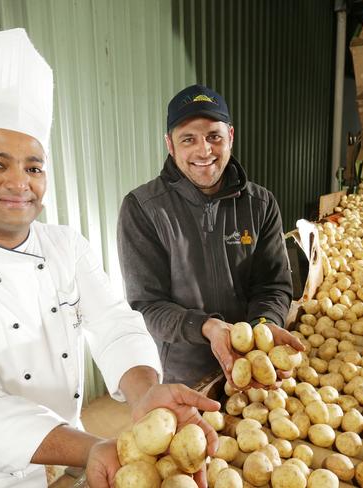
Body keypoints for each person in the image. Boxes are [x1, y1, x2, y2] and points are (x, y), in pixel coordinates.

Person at [0, 30, 219, 488]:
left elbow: (114, 324)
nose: (18, 182)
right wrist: (93, 448)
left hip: (70, 461)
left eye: (33, 166)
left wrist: (145, 394)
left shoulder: (64, 245)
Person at [117, 84, 304, 387]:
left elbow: (272, 284)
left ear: (230, 136)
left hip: (251, 367)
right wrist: (205, 327)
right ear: (170, 144)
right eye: (188, 139)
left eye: (214, 137)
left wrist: (265, 325)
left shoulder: (261, 204)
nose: (204, 151)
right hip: (182, 376)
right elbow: (147, 305)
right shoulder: (143, 208)